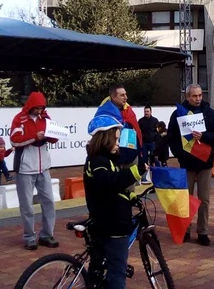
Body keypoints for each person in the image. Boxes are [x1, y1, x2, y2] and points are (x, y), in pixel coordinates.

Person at [84, 100, 147, 289]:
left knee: (98, 268)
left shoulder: (102, 159)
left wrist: (130, 197)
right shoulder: (99, 162)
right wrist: (135, 172)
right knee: (117, 272)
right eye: (116, 139)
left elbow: (111, 188)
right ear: (106, 139)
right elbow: (109, 182)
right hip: (113, 225)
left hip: (103, 219)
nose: (118, 144)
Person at [168, 84, 214, 246]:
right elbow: (172, 138)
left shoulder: (209, 113)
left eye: (200, 95)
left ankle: (203, 231)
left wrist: (204, 136)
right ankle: (185, 230)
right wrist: (180, 155)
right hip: (187, 164)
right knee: (185, 199)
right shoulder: (178, 114)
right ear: (187, 97)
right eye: (194, 96)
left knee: (204, 199)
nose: (198, 98)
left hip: (206, 164)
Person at [9, 91, 59, 250]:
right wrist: (35, 136)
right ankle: (29, 237)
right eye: (36, 108)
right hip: (25, 168)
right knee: (27, 206)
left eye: (41, 108)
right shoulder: (20, 119)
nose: (39, 111)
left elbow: (53, 137)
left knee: (49, 202)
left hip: (43, 166)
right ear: (30, 106)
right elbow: (14, 141)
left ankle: (46, 235)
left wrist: (52, 136)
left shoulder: (46, 118)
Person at [101, 84, 142, 189]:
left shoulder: (128, 111)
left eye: (126, 94)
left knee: (130, 191)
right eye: (122, 95)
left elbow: (136, 131)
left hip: (131, 155)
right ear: (113, 97)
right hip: (116, 158)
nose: (126, 97)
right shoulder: (105, 112)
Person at [137, 106, 159, 184]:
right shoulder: (140, 121)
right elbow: (138, 132)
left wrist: (157, 142)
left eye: (147, 111)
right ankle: (144, 178)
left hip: (153, 143)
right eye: (145, 111)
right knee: (144, 161)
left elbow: (158, 132)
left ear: (150, 111)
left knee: (155, 160)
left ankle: (158, 177)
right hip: (144, 144)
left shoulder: (155, 120)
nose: (146, 113)